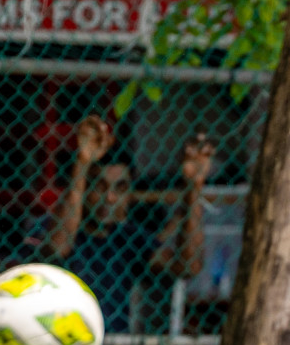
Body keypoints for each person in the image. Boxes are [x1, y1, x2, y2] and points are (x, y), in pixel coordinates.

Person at [25, 115, 214, 333]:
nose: (111, 198)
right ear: (84, 186)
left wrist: (194, 187)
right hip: (53, 341)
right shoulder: (49, 226)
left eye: (120, 188)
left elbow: (188, 267)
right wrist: (82, 163)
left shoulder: (127, 238)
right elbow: (59, 247)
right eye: (100, 187)